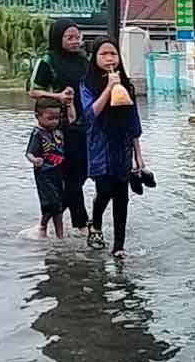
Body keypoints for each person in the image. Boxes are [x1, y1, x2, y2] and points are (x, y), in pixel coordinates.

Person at [80, 37, 144, 257]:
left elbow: (133, 123)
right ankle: (95, 224)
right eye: (103, 54)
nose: (109, 58)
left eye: (113, 54)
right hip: (100, 145)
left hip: (122, 145)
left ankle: (119, 246)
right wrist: (109, 87)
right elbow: (90, 114)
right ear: (95, 58)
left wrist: (139, 157)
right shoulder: (87, 85)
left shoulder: (128, 86)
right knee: (105, 189)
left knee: (122, 197)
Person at [29, 19, 90, 233]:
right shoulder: (48, 61)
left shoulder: (83, 60)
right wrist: (57, 96)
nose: (75, 41)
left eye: (77, 36)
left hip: (83, 121)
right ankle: (82, 224)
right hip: (58, 125)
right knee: (72, 174)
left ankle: (47, 218)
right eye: (69, 37)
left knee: (82, 172)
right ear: (58, 38)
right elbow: (34, 91)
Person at [26, 96, 72, 239]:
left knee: (58, 203)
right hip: (44, 174)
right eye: (50, 118)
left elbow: (72, 118)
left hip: (58, 171)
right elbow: (29, 153)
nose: (54, 121)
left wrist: (70, 103)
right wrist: (35, 160)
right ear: (38, 116)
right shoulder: (38, 134)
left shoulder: (57, 130)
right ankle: (53, 232)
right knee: (53, 203)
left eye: (57, 118)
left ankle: (49, 229)